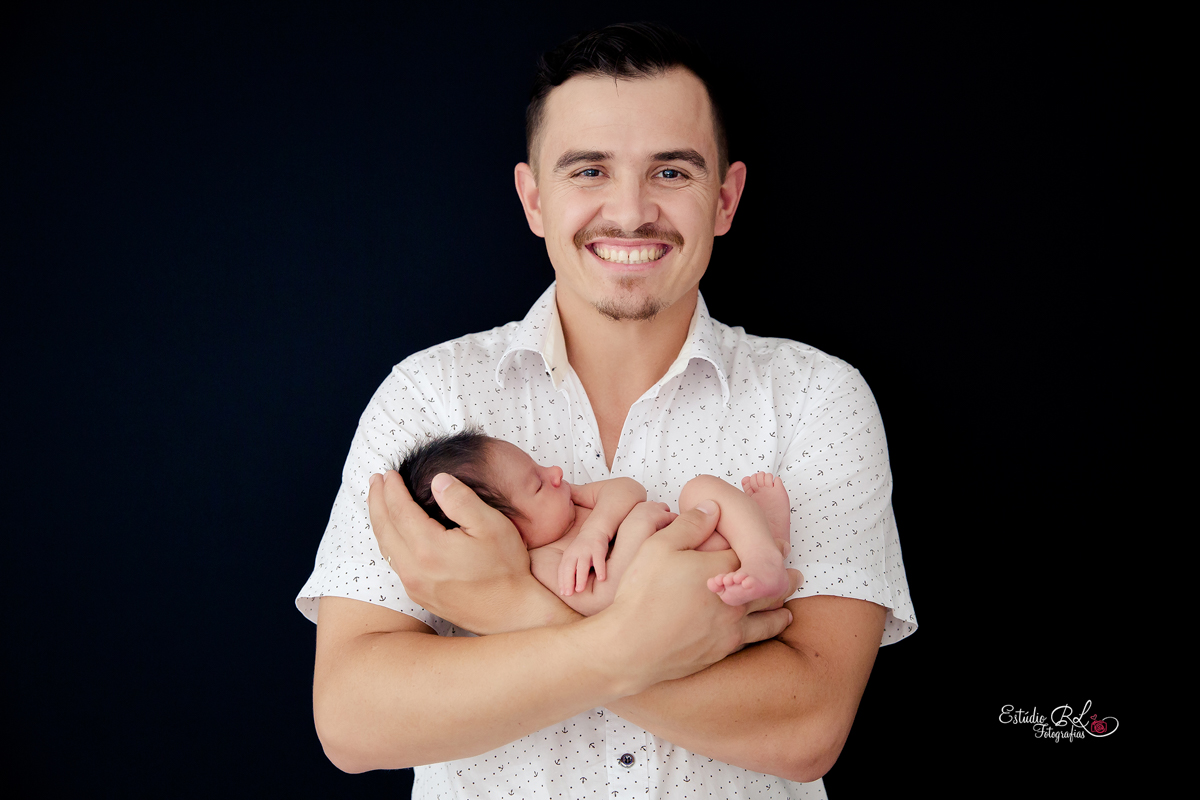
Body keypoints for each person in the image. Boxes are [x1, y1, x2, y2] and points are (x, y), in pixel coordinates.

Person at [298, 21, 917, 798]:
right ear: (534, 199)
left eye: (670, 172)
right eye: (589, 170)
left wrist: (510, 607)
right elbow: (357, 721)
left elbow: (802, 730)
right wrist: (632, 644)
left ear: (725, 199)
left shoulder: (817, 400)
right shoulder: (429, 396)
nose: (630, 212)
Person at [397, 428, 793, 613]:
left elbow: (626, 488)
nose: (555, 472)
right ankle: (764, 553)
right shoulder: (541, 564)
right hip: (691, 597)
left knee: (700, 488)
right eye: (537, 484)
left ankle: (765, 551)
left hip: (701, 540)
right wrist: (636, 529)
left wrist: (597, 531)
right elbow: (607, 600)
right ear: (508, 530)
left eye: (540, 466)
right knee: (705, 528)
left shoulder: (574, 506)